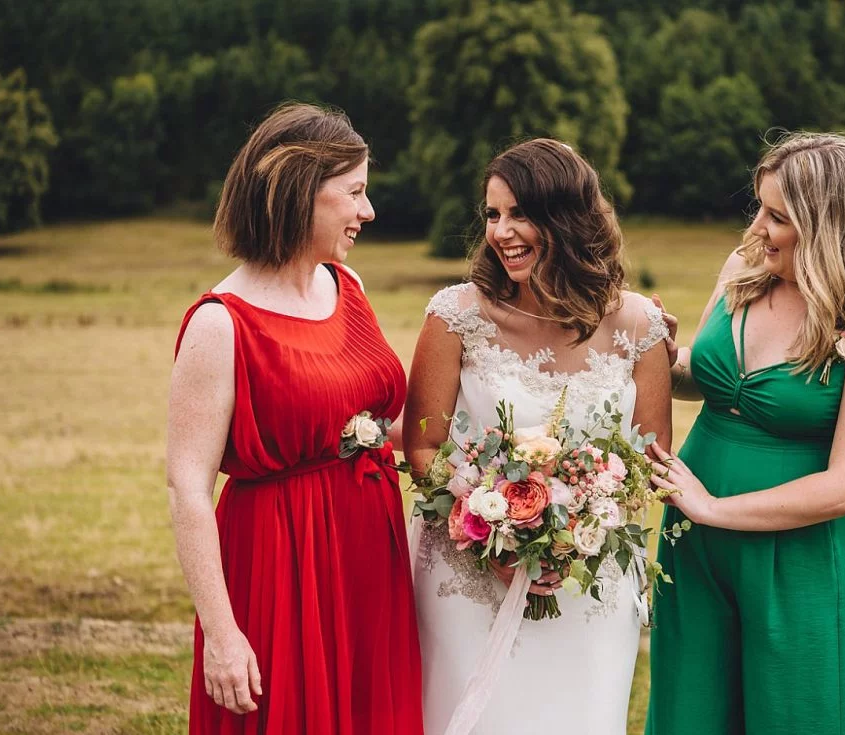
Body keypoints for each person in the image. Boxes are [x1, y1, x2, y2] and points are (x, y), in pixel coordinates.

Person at [167, 102, 423, 734]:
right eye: (356, 192)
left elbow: (385, 421)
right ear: (297, 191)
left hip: (369, 551)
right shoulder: (220, 323)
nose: (369, 211)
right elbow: (188, 488)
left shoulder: (349, 286)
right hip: (278, 562)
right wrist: (223, 633)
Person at [645, 131, 845, 734]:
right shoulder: (745, 270)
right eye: (759, 207)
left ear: (827, 229)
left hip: (800, 561)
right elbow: (705, 379)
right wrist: (664, 353)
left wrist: (715, 506)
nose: (757, 226)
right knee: (692, 717)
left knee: (799, 716)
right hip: (695, 547)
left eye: (778, 216)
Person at [404, 138, 672, 734]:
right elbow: (423, 446)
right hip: (466, 576)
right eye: (492, 215)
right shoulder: (457, 316)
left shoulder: (640, 326)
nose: (501, 232)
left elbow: (651, 462)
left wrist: (576, 530)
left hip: (588, 583)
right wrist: (491, 534)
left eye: (520, 213)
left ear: (569, 217)